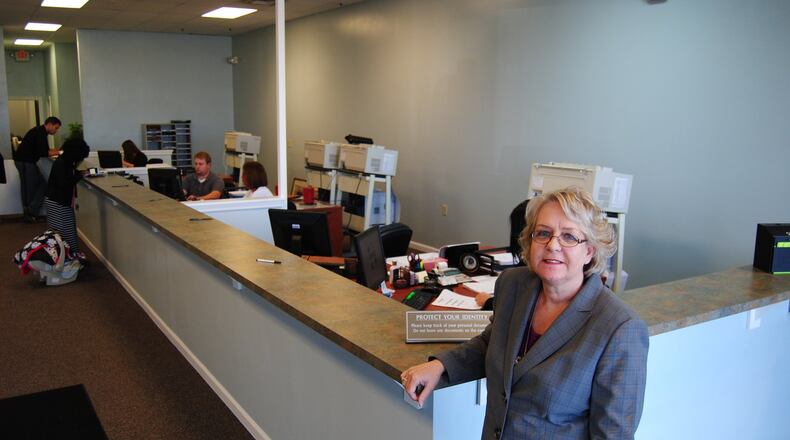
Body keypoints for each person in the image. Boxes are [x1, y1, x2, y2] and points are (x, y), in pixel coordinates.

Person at [402, 188, 648, 440]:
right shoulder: (514, 285)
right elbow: (492, 343)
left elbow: (613, 435)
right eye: (543, 233)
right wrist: (440, 365)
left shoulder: (619, 328)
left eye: (569, 237)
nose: (553, 245)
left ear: (590, 251)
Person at [45, 138, 90, 264]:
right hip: (58, 202)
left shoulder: (64, 161)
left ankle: (70, 255)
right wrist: (79, 175)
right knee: (64, 231)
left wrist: (78, 173)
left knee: (65, 230)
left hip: (57, 201)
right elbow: (64, 183)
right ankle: (71, 256)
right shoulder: (63, 164)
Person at [12, 116, 62, 223]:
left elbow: (46, 150)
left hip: (28, 162)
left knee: (43, 185)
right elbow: (44, 152)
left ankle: (32, 210)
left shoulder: (40, 132)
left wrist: (58, 150)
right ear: (49, 124)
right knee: (28, 188)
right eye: (56, 128)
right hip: (25, 161)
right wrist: (61, 152)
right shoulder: (40, 133)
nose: (56, 131)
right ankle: (29, 214)